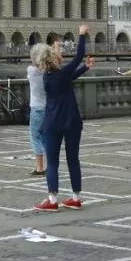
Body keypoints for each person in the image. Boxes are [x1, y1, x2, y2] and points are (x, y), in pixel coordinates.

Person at [33, 25, 89, 212]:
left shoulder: (48, 77)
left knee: (53, 162)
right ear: (54, 58)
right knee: (73, 159)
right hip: (72, 121)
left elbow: (68, 76)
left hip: (53, 123)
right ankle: (75, 197)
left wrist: (84, 69)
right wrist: (81, 34)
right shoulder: (61, 74)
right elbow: (79, 55)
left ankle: (52, 199)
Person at [27, 44, 94, 176]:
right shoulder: (51, 73)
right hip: (50, 110)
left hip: (36, 109)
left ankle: (39, 167)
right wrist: (56, 48)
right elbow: (59, 65)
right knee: (48, 139)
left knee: (35, 138)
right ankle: (49, 163)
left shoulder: (31, 71)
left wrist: (52, 50)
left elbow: (48, 61)